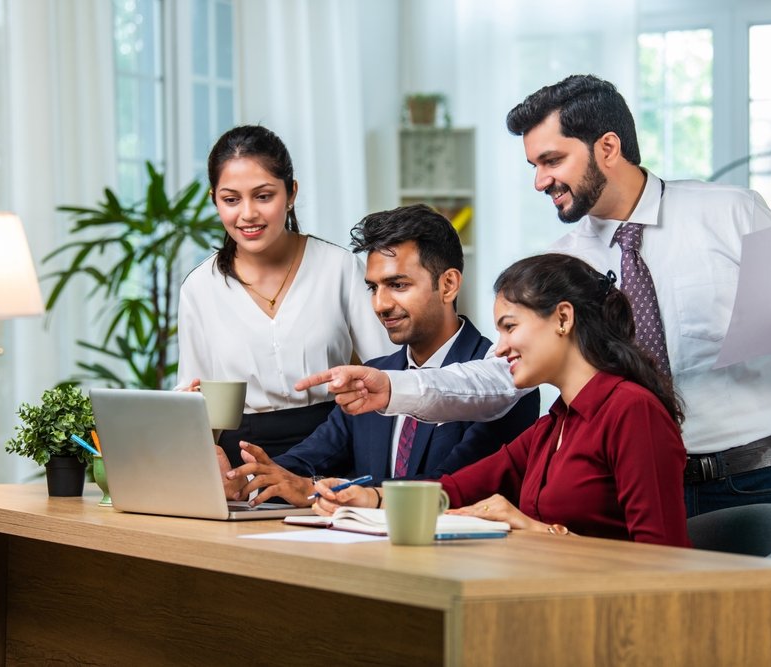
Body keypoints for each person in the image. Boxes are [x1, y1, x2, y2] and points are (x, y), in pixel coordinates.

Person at [297, 74, 771, 518]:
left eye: (551, 160)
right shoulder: (562, 265)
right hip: (625, 483)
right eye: (533, 165)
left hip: (751, 478)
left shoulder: (729, 211)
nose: (539, 180)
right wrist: (395, 385)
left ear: (608, 147)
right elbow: (501, 377)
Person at [312, 254, 691, 547]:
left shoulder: (631, 411)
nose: (499, 348)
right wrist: (370, 498)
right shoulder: (556, 424)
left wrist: (535, 530)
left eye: (510, 326)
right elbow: (456, 489)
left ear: (563, 318)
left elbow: (662, 558)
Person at [221, 204, 540, 506]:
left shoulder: (510, 378)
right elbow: (308, 459)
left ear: (448, 285)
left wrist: (312, 490)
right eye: (373, 288)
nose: (380, 304)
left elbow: (448, 487)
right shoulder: (373, 375)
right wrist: (245, 478)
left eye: (398, 284)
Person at [177, 125, 395, 462]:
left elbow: (387, 372)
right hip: (242, 462)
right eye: (231, 199)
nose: (247, 213)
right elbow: (193, 402)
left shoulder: (339, 268)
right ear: (214, 200)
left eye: (264, 196)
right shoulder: (199, 288)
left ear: (291, 193)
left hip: (334, 449)